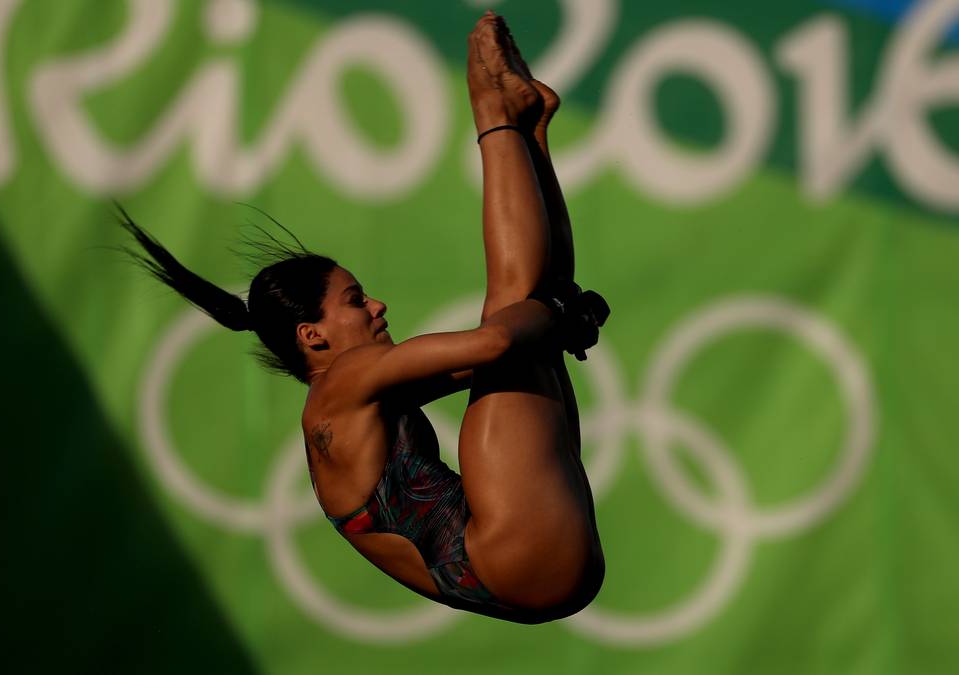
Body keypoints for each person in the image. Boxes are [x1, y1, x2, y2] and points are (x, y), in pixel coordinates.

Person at [122, 11, 606, 623]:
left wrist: (557, 315)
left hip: (531, 569)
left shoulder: (354, 406)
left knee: (526, 323)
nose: (377, 306)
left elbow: (514, 336)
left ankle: (527, 129)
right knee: (512, 315)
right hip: (516, 555)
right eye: (355, 300)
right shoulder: (339, 387)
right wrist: (558, 313)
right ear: (312, 335)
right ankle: (494, 113)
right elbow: (488, 343)